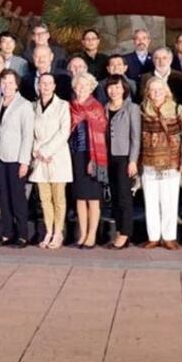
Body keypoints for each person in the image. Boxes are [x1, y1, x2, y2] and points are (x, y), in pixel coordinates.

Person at [139, 77, 182, 250]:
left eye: (159, 90)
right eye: (152, 90)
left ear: (166, 91)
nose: (156, 93)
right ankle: (153, 236)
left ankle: (169, 237)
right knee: (151, 201)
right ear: (147, 92)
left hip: (171, 160)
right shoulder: (141, 109)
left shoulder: (177, 109)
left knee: (169, 200)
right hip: (149, 161)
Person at [29, 73, 72, 249]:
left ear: (54, 86)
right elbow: (29, 131)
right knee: (44, 198)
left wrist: (47, 151)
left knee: (58, 197)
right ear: (38, 86)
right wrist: (36, 151)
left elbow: (64, 131)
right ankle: (48, 230)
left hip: (57, 156)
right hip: (39, 157)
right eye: (42, 83)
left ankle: (58, 232)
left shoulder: (63, 105)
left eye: (49, 83)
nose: (45, 86)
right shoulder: (33, 106)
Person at [0, 69, 34, 247]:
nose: (6, 86)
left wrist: (24, 161)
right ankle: (7, 232)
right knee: (4, 197)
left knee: (17, 197)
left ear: (17, 84)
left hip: (16, 158)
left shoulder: (24, 105)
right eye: (3, 82)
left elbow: (28, 135)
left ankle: (23, 234)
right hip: (0, 157)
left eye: (10, 82)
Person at [69, 72, 108, 248]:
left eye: (85, 86)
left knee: (92, 197)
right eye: (78, 86)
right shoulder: (70, 107)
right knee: (79, 197)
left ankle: (92, 235)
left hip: (93, 156)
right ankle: (82, 233)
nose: (81, 89)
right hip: (75, 155)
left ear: (91, 88)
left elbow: (102, 131)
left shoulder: (97, 107)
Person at [104, 75, 140, 249]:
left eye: (117, 87)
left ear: (124, 89)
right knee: (115, 197)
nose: (114, 91)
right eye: (111, 87)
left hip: (124, 157)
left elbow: (136, 137)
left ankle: (126, 234)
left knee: (125, 197)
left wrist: (133, 160)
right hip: (108, 157)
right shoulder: (104, 108)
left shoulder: (132, 108)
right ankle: (119, 231)